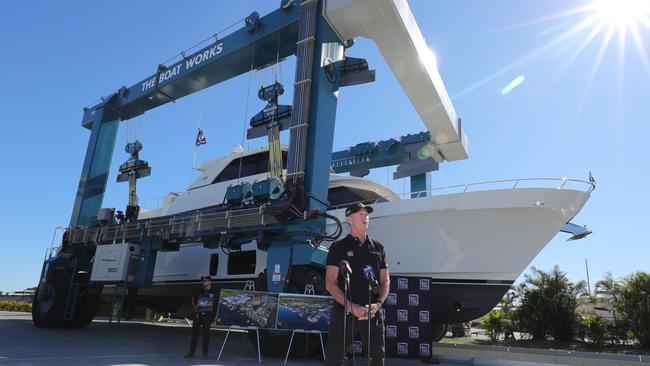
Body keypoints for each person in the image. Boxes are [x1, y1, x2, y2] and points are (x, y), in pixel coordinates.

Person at [323, 203, 390, 366]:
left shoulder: (378, 247)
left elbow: (385, 281)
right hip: (345, 311)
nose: (365, 217)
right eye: (360, 214)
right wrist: (351, 307)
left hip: (372, 312)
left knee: (377, 358)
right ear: (349, 219)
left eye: (366, 214)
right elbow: (330, 283)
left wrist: (378, 304)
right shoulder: (338, 247)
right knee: (334, 358)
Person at [184, 275, 217, 359]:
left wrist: (213, 314)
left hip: (208, 316)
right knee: (194, 335)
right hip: (198, 315)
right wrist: (196, 308)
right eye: (203, 281)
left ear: (210, 282)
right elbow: (193, 300)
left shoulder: (214, 291)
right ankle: (191, 352)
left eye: (205, 281)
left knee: (206, 335)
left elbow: (216, 303)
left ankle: (205, 353)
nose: (204, 282)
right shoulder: (198, 290)